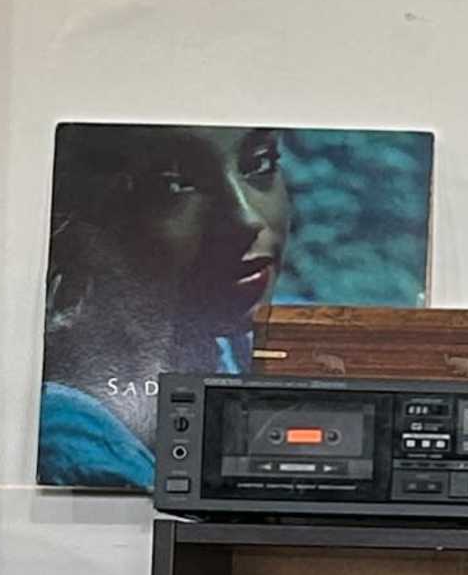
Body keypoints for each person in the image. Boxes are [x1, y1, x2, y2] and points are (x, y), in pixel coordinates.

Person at [39, 123, 291, 491]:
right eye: (174, 187)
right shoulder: (80, 448)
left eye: (260, 163)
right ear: (78, 226)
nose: (247, 218)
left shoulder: (244, 351)